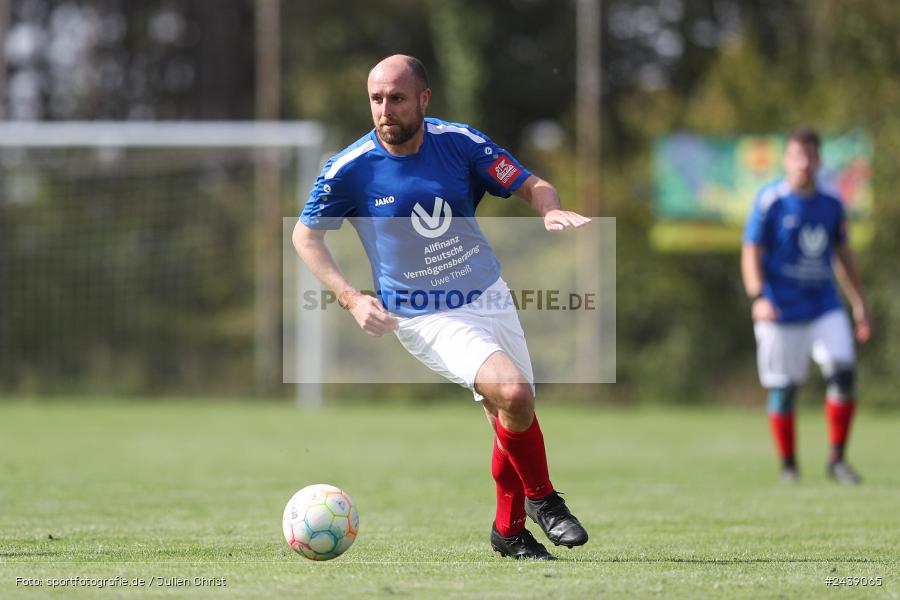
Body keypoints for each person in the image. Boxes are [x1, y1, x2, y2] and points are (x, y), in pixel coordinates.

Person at [292, 55, 591, 559]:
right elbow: (306, 237)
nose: (385, 109)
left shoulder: (460, 143)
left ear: (424, 99)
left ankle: (509, 532)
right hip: (422, 315)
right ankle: (545, 501)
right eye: (376, 99)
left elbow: (531, 185)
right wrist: (350, 298)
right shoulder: (349, 168)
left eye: (397, 98)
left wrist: (551, 209)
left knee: (511, 418)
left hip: (489, 295)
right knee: (513, 393)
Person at [741, 127, 871, 484]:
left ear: (819, 160)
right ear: (787, 159)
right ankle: (789, 467)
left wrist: (859, 303)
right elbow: (751, 252)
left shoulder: (831, 202)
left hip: (824, 305)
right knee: (785, 388)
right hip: (780, 309)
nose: (804, 163)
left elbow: (844, 256)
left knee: (843, 373)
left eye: (810, 156)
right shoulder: (770, 200)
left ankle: (837, 460)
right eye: (797, 155)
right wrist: (759, 297)